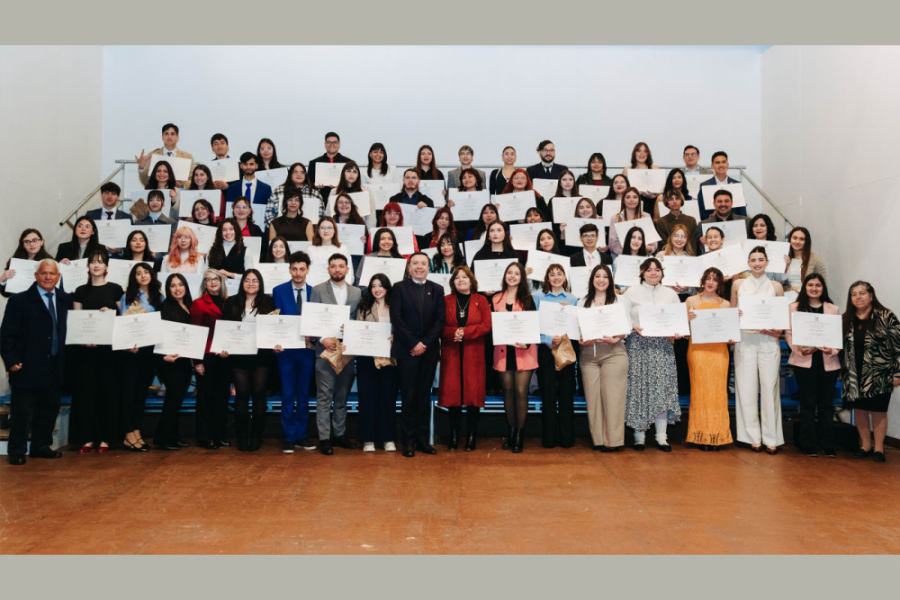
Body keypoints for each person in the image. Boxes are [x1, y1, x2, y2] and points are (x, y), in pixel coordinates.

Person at [1, 259, 70, 465]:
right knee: (22, 412)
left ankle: (41, 447)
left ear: (58, 277)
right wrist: (11, 360)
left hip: (54, 365)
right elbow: (6, 335)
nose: (48, 277)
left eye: (52, 274)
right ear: (36, 275)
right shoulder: (19, 301)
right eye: (44, 273)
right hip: (26, 366)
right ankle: (17, 450)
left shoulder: (65, 299)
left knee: (48, 409)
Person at [621, 258, 683, 451]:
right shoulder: (630, 293)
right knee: (639, 390)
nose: (653, 273)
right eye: (649, 270)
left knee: (661, 391)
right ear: (642, 272)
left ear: (662, 273)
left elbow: (678, 321)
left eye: (657, 270)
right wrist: (632, 326)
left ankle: (661, 437)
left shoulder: (671, 294)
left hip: (663, 347)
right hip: (638, 346)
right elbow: (621, 319)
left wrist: (678, 331)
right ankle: (639, 437)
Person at [731, 246, 785, 454]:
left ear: (767, 262)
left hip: (767, 340)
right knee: (745, 388)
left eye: (760, 259)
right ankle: (752, 437)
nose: (757, 263)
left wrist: (776, 331)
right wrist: (738, 314)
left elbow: (780, 320)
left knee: (770, 387)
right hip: (744, 339)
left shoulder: (776, 286)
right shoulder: (738, 284)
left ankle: (771, 438)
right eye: (753, 260)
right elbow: (732, 313)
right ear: (748, 262)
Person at [391, 253, 446, 457]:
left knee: (424, 396)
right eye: (415, 263)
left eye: (423, 263)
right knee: (409, 396)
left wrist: (424, 343)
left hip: (429, 351)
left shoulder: (437, 289)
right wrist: (414, 343)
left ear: (429, 267)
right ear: (408, 267)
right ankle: (408, 441)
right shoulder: (399, 288)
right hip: (407, 351)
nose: (419, 267)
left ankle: (423, 440)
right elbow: (396, 318)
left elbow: (440, 320)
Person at [67, 251, 122, 454]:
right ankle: (87, 438)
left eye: (100, 262)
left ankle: (107, 438)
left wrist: (111, 315)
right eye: (92, 262)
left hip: (109, 352)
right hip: (86, 352)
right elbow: (77, 320)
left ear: (106, 267)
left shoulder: (116, 289)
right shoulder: (80, 291)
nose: (96, 265)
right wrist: (82, 340)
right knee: (86, 394)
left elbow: (123, 318)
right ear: (87, 267)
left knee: (108, 393)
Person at [841, 281, 900, 463]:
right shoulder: (846, 318)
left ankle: (879, 448)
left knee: (878, 410)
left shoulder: (886, 316)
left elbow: (898, 346)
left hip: (880, 374)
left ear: (871, 296)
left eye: (862, 293)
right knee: (859, 409)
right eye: (854, 294)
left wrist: (897, 373)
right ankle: (865, 445)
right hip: (853, 373)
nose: (858, 297)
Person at [785, 274, 840, 457]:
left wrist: (831, 349)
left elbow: (838, 336)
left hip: (828, 362)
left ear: (823, 288)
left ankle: (827, 444)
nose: (814, 288)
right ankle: (808, 444)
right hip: (804, 362)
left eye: (818, 285)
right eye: (810, 285)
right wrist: (800, 349)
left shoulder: (833, 309)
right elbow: (789, 333)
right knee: (808, 403)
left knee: (826, 404)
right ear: (805, 287)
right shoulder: (794, 307)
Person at [220, 270, 275, 451]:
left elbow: (273, 329)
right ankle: (242, 437)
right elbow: (226, 328)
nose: (251, 283)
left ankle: (257, 437)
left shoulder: (268, 302)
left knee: (259, 394)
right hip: (238, 355)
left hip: (261, 355)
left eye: (255, 280)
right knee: (242, 394)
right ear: (242, 282)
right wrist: (224, 348)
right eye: (247, 280)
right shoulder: (231, 302)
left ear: (260, 284)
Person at [312, 254, 361, 455]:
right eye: (333, 266)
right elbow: (311, 318)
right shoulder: (317, 290)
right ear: (328, 269)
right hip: (325, 351)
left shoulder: (357, 293)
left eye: (341, 266)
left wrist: (353, 336)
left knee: (341, 397)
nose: (337, 269)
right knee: (324, 397)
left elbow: (359, 319)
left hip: (347, 352)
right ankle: (324, 438)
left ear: (347, 269)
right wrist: (321, 338)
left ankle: (339, 435)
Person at [439, 265, 491, 451]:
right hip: (452, 352)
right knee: (453, 397)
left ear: (471, 281)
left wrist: (465, 332)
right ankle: (453, 436)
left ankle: (471, 436)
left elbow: (486, 326)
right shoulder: (446, 300)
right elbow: (439, 325)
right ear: (453, 282)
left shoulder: (481, 300)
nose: (461, 280)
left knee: (472, 397)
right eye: (457, 277)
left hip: (474, 353)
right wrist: (452, 333)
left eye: (464, 277)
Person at [271, 251, 318, 454]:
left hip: (307, 351)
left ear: (307, 270)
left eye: (302, 269)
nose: (298, 273)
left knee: (304, 395)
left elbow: (318, 321)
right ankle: (289, 437)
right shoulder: (278, 290)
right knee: (288, 395)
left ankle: (302, 436)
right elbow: (275, 321)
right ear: (289, 269)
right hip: (287, 352)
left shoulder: (315, 292)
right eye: (294, 269)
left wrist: (314, 336)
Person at [578, 265, 629, 451]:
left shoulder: (620, 300)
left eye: (605, 276)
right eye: (597, 276)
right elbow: (578, 328)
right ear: (592, 279)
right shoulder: (582, 301)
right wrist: (582, 340)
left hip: (613, 353)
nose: (601, 280)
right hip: (588, 355)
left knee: (613, 399)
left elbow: (627, 327)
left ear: (610, 280)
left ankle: (613, 441)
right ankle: (598, 440)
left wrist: (616, 338)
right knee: (593, 400)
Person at [685, 267, 735, 451]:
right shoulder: (691, 301)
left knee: (718, 393)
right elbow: (683, 331)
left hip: (719, 352)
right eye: (708, 278)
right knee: (699, 393)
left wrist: (731, 337)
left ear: (720, 283)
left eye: (715, 279)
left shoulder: (726, 304)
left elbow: (729, 332)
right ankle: (699, 436)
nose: (711, 282)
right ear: (703, 281)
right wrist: (687, 320)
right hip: (697, 351)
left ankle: (717, 435)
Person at [491, 262, 537, 453]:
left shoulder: (527, 299)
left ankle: (519, 434)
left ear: (521, 277)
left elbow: (533, 325)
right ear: (505, 276)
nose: (512, 276)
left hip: (523, 351)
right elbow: (489, 326)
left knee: (520, 393)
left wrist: (526, 343)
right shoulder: (495, 299)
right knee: (507, 393)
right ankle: (510, 433)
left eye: (516, 273)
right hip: (503, 352)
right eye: (509, 272)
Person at [118, 263, 164, 452]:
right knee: (129, 393)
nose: (143, 276)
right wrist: (128, 345)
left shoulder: (159, 297)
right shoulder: (126, 296)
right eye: (138, 273)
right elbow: (123, 323)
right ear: (133, 277)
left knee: (141, 394)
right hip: (132, 352)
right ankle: (128, 434)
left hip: (150, 352)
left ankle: (137, 431)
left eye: (146, 272)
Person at [533, 265, 578, 448]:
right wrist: (549, 339)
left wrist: (569, 313)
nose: (556, 277)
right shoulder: (538, 297)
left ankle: (567, 438)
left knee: (567, 393)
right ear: (547, 278)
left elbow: (577, 327)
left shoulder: (573, 299)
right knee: (548, 394)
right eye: (552, 274)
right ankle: (549, 438)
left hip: (566, 348)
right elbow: (534, 324)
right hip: (546, 349)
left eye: (559, 274)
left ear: (565, 278)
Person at [355, 273, 399, 453]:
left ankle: (388, 438)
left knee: (388, 399)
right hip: (368, 359)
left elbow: (403, 327)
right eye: (373, 285)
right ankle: (368, 439)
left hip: (390, 359)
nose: (377, 289)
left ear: (387, 287)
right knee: (368, 399)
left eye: (380, 285)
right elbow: (358, 330)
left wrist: (397, 336)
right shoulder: (364, 307)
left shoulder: (396, 306)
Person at [190, 269, 232, 449]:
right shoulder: (198, 304)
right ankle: (204, 437)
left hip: (224, 356)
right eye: (209, 279)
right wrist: (197, 361)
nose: (213, 282)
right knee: (205, 398)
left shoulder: (228, 302)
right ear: (204, 284)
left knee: (221, 398)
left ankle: (219, 435)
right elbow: (195, 334)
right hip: (206, 356)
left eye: (216, 279)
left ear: (222, 281)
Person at [153, 273, 195, 451]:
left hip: (184, 361)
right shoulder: (164, 307)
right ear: (167, 289)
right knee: (172, 400)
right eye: (172, 285)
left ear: (186, 287)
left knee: (176, 400)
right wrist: (163, 357)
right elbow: (157, 335)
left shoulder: (189, 305)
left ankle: (173, 436)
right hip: (169, 362)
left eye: (180, 284)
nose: (177, 288)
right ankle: (163, 439)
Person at [135, 123, 195, 188]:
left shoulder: (188, 157)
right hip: (158, 195)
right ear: (162, 137)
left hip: (180, 194)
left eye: (172, 134)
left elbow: (193, 181)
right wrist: (141, 168)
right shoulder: (152, 155)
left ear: (177, 137)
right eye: (166, 134)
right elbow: (146, 182)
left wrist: (181, 185)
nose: (169, 137)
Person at [266, 162, 322, 230]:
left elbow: (321, 216)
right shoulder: (279, 191)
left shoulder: (314, 194)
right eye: (295, 172)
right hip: (281, 232)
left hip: (308, 233)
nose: (299, 174)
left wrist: (310, 229)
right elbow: (269, 214)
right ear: (290, 174)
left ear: (305, 175)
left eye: (302, 172)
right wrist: (277, 228)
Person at [1, 229, 53, 298]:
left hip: (41, 305)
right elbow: (6, 294)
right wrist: (2, 280)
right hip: (19, 304)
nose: (31, 244)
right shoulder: (15, 263)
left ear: (42, 241)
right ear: (23, 244)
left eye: (35, 240)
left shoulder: (50, 262)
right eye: (27, 241)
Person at [608, 187, 657, 259]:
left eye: (635, 197)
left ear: (639, 200)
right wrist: (628, 251)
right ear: (623, 200)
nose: (631, 200)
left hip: (643, 257)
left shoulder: (646, 216)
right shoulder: (615, 218)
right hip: (622, 257)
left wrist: (642, 248)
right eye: (628, 197)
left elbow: (654, 245)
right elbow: (612, 244)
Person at [472, 221, 519, 295]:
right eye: (492, 230)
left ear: (505, 233)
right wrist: (483, 290)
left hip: (508, 296)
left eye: (499, 230)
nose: (495, 233)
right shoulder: (480, 255)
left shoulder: (513, 255)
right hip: (484, 299)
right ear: (488, 235)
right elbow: (472, 278)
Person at [308, 132, 352, 207]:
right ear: (325, 144)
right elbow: (308, 184)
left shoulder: (348, 163)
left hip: (343, 201)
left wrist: (341, 186)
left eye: (335, 142)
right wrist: (314, 186)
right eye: (329, 142)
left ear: (339, 144)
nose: (332, 144)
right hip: (320, 200)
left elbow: (352, 184)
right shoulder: (314, 163)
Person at [85, 181, 132, 251]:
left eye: (113, 194)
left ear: (118, 197)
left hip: (118, 258)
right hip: (95, 255)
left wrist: (121, 250)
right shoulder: (91, 215)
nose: (109, 196)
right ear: (101, 195)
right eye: (106, 193)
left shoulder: (127, 217)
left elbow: (132, 240)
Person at [697, 151, 744, 220]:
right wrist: (711, 216)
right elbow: (701, 211)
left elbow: (742, 211)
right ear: (712, 166)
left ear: (727, 165)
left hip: (734, 223)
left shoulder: (737, 185)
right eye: (717, 163)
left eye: (723, 162)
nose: (721, 165)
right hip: (712, 224)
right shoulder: (704, 186)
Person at [308, 217, 355, 284]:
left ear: (334, 230)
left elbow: (349, 275)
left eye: (329, 228)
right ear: (318, 230)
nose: (326, 231)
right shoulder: (310, 250)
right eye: (322, 228)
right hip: (315, 289)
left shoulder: (342, 249)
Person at [783, 226, 827, 293]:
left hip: (808, 297)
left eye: (802, 239)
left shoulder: (816, 259)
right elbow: (779, 282)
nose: (797, 241)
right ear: (790, 239)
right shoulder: (784, 258)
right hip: (787, 296)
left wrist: (801, 290)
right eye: (795, 238)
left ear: (806, 242)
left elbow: (823, 284)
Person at [621, 142, 660, 215]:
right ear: (634, 153)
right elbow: (622, 192)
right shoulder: (627, 170)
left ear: (648, 154)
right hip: (631, 204)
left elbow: (661, 190)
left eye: (645, 151)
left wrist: (653, 196)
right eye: (639, 151)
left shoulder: (655, 168)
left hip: (651, 203)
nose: (642, 154)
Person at [655, 190, 699, 255]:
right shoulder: (661, 222)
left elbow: (692, 244)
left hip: (688, 256)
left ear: (681, 201)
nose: (674, 201)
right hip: (669, 256)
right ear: (667, 202)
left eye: (677, 198)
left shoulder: (691, 220)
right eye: (671, 199)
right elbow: (663, 244)